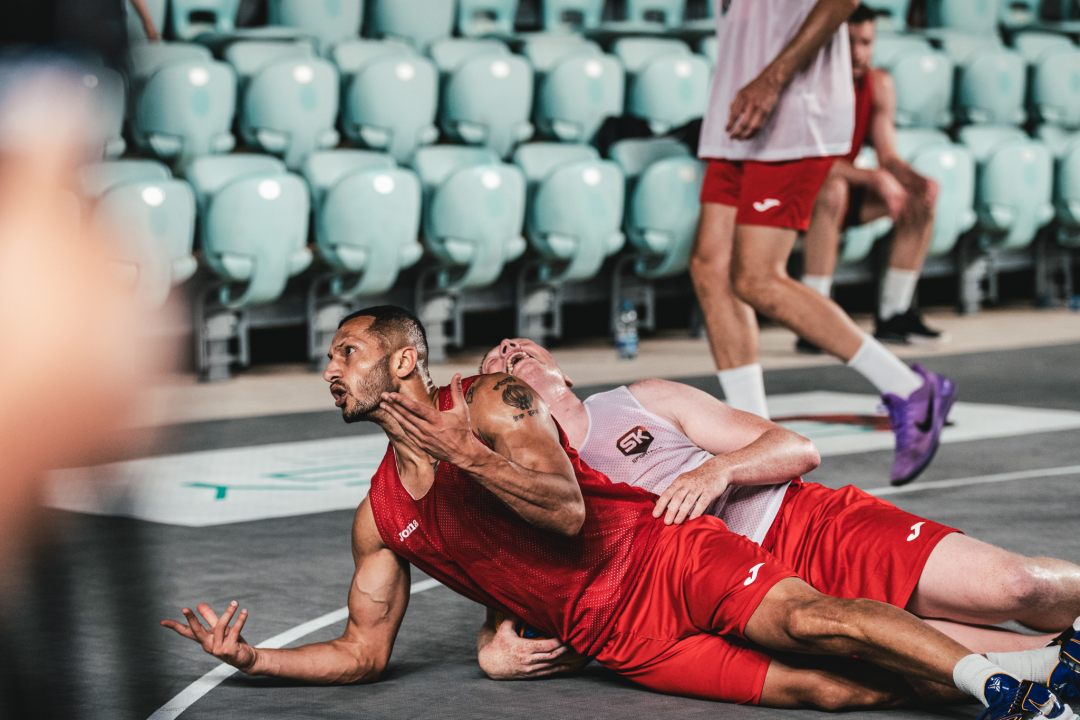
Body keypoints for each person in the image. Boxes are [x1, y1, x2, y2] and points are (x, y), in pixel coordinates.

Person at [163, 307, 1069, 715]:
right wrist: (257, 659)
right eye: (328, 357)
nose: (330, 370)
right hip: (620, 634)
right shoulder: (381, 517)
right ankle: (1036, 671)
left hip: (704, 547)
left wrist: (718, 474)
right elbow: (372, 647)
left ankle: (1010, 685)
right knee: (829, 683)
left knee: (1004, 584)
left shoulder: (510, 410)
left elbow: (559, 515)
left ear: (406, 363)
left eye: (346, 352)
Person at [476, 338, 1080, 703]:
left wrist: (716, 472)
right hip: (737, 602)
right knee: (1020, 660)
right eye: (496, 358)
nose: (509, 351)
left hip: (802, 526)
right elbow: (512, 581)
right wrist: (489, 645)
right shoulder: (517, 480)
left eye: (521, 345)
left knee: (1017, 586)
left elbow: (795, 447)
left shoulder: (645, 399)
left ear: (565, 372)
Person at [689, 0, 956, 487]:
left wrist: (772, 79)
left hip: (789, 109)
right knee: (711, 266)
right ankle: (757, 439)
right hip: (738, 105)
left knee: (756, 278)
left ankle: (912, 389)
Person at [799, 3, 942, 352]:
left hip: (840, 188)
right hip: (797, 193)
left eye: (865, 42)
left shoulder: (878, 84)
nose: (858, 52)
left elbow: (888, 156)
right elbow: (810, 160)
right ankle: (812, 322)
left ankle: (894, 314)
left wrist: (914, 179)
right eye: (849, 42)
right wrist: (874, 177)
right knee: (833, 190)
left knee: (919, 198)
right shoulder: (810, 83)